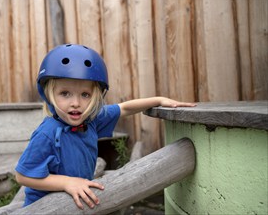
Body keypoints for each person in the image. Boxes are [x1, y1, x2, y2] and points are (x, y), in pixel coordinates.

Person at [15, 44, 196, 209]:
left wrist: (158, 100)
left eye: (85, 95)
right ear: (48, 94)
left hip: (76, 202)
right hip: (42, 208)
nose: (76, 103)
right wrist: (67, 183)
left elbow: (124, 108)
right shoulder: (46, 134)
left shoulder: (91, 119)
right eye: (65, 93)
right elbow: (23, 176)